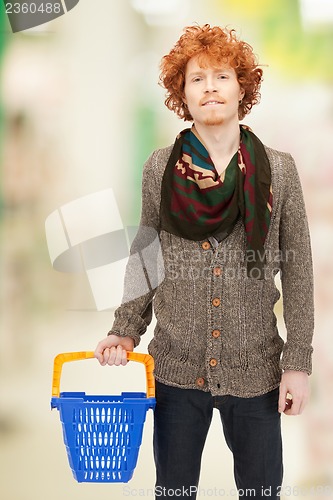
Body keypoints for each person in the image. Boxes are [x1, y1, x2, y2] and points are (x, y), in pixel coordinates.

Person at [95, 24, 314, 499]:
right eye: (197, 78)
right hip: (177, 367)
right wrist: (125, 327)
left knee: (261, 493)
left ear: (243, 88)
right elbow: (146, 252)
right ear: (183, 94)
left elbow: (298, 272)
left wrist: (297, 362)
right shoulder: (159, 167)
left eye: (222, 76)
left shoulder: (279, 169)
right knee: (173, 492)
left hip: (255, 368)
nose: (210, 86)